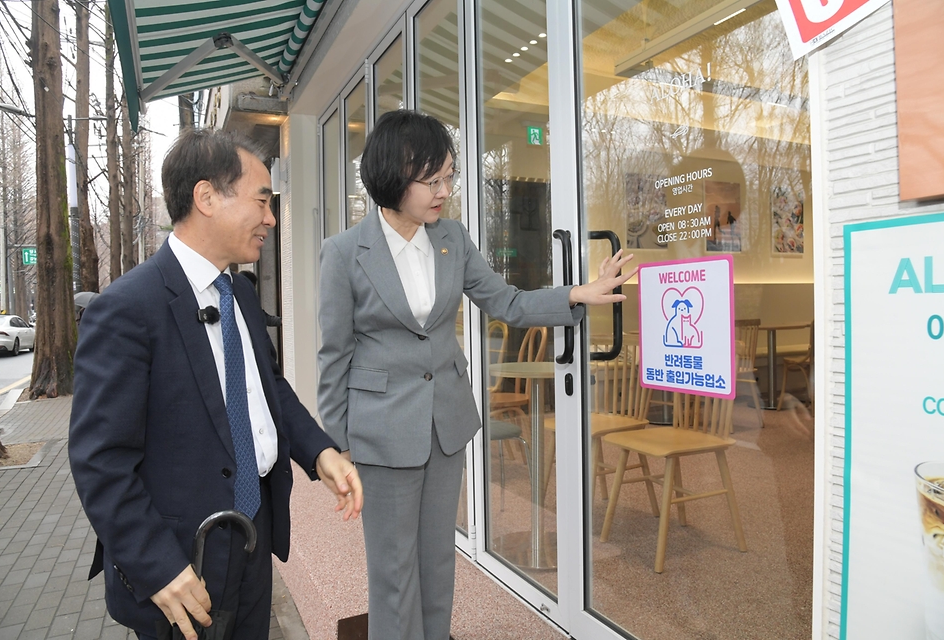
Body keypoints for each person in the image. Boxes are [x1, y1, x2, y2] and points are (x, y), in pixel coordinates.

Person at [316, 109, 636, 640]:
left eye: (448, 176)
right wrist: (337, 447)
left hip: (445, 425)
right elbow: (334, 355)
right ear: (394, 179)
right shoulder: (345, 253)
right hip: (380, 431)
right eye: (432, 179)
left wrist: (578, 294)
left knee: (438, 563)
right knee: (394, 574)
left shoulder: (451, 239)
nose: (444, 190)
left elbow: (505, 301)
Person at [69, 128, 363, 640]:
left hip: (254, 534)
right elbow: (100, 459)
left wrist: (320, 451)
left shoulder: (239, 295)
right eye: (262, 200)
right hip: (184, 559)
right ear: (206, 197)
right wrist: (157, 565)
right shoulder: (127, 309)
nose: (271, 218)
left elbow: (267, 388)